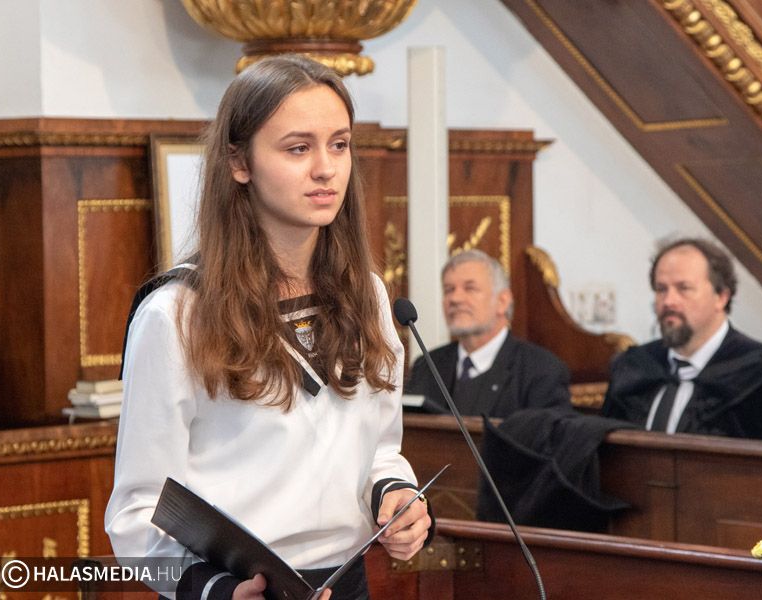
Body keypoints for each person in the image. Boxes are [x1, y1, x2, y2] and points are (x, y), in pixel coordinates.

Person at [105, 55, 431, 600]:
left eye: (340, 144)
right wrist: (216, 589)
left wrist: (395, 495)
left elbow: (378, 449)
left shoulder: (368, 293)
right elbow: (137, 513)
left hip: (348, 581)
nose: (326, 168)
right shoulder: (176, 314)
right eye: (298, 148)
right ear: (240, 162)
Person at [601, 238, 762, 441]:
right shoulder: (633, 366)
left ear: (721, 297)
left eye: (684, 288)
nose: (669, 301)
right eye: (661, 289)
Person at [404, 249, 573, 418]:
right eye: (448, 290)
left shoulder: (542, 371)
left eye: (470, 288)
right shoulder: (426, 366)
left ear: (502, 301)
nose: (455, 299)